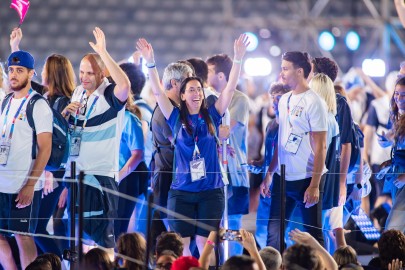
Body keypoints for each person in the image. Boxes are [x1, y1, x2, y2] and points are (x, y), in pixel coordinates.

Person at [136, 34, 249, 257]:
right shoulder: (175, 118)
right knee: (185, 249)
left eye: (199, 89)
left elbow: (229, 89)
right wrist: (150, 62)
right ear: (183, 95)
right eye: (191, 90)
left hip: (210, 190)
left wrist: (238, 59)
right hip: (182, 191)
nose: (197, 93)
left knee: (205, 247)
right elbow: (158, 91)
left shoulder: (213, 115)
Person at [62, 27, 130, 259]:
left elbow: (125, 87)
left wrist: (103, 51)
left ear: (102, 73)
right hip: (76, 176)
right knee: (78, 240)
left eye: (90, 73)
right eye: (81, 72)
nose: (84, 77)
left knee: (103, 242)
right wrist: (65, 115)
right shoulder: (78, 92)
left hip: (101, 178)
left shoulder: (110, 93)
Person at [10, 27, 75, 258]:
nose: (40, 74)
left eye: (45, 70)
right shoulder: (46, 97)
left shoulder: (61, 102)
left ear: (53, 74)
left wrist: (52, 174)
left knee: (36, 228)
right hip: (45, 170)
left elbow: (57, 142)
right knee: (33, 228)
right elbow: (25, 83)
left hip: (52, 172)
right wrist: (15, 48)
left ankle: (59, 262)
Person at [266, 51, 328, 250]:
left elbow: (321, 145)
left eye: (285, 68)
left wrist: (315, 184)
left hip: (306, 177)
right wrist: (270, 172)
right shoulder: (284, 100)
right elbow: (281, 139)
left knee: (313, 234)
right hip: (282, 176)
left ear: (299, 71)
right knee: (274, 233)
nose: (281, 73)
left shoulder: (314, 101)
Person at [0, 50, 53, 269]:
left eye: (19, 71)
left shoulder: (38, 104)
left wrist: (31, 184)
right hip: (2, 183)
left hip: (23, 184)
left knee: (23, 237)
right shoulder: (5, 102)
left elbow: (45, 148)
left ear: (31, 74)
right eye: (11, 70)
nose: (14, 75)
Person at [206, 53, 250, 256]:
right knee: (216, 224)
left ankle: (234, 262)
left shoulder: (239, 99)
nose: (206, 75)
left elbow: (224, 132)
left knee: (233, 222)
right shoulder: (208, 98)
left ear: (222, 76)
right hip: (216, 170)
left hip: (234, 170)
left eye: (210, 71)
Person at [256, 83, 291, 249]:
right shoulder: (271, 125)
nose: (275, 102)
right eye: (273, 98)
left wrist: (270, 174)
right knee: (262, 232)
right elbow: (269, 154)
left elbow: (284, 153)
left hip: (281, 183)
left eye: (279, 98)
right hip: (266, 185)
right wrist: (260, 164)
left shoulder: (290, 124)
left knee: (284, 232)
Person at [309, 73, 341, 253]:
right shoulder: (332, 119)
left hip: (320, 182)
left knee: (316, 234)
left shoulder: (324, 120)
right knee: (322, 232)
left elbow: (319, 153)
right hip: (328, 184)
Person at [115, 86, 148, 239]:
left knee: (119, 231)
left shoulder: (128, 118)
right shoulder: (105, 118)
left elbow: (138, 154)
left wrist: (118, 176)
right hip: (108, 179)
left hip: (125, 178)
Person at [379, 76, 405, 232]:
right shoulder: (398, 117)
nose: (399, 98)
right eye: (396, 94)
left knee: (394, 226)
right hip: (397, 175)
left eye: (403, 95)